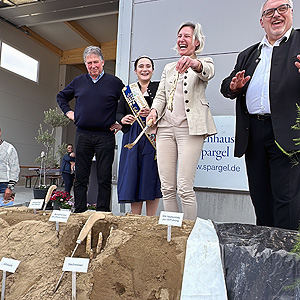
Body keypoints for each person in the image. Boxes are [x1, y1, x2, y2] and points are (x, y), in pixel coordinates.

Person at [221, 0, 300, 230]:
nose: (276, 15)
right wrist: (234, 87)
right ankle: (266, 251)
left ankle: (286, 256)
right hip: (253, 134)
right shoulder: (248, 53)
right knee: (260, 196)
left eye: (282, 8)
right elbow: (226, 86)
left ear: (291, 13)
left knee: (287, 200)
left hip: (287, 132)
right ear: (261, 21)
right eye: (269, 12)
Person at [146, 22, 217, 220]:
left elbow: (207, 72)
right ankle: (172, 233)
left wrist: (193, 63)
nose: (181, 39)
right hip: (165, 128)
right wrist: (153, 112)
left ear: (196, 42)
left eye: (187, 36)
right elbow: (160, 96)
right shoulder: (169, 68)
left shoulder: (205, 62)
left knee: (184, 187)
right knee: (167, 187)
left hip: (190, 129)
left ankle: (189, 233)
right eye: (179, 36)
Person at [57, 46, 124, 213]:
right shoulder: (78, 82)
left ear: (102, 62)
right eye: (89, 63)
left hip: (105, 136)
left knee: (104, 177)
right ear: (85, 64)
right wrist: (69, 112)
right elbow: (61, 96)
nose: (93, 65)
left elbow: (126, 102)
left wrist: (121, 123)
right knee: (80, 177)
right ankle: (79, 211)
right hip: (83, 134)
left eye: (95, 62)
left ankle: (102, 213)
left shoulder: (114, 83)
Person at [116, 56, 162, 216]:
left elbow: (167, 109)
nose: (145, 69)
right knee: (133, 176)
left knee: (151, 175)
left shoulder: (159, 88)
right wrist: (123, 119)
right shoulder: (128, 91)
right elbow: (119, 112)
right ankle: (135, 219)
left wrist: (152, 112)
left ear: (153, 70)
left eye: (148, 66)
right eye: (141, 66)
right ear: (135, 71)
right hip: (133, 138)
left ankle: (150, 219)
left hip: (153, 137)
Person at [0, 128, 20, 201]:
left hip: (4, 185)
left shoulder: (9, 148)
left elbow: (14, 168)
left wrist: (10, 187)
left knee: (4, 211)